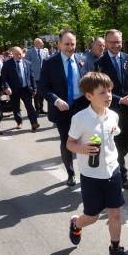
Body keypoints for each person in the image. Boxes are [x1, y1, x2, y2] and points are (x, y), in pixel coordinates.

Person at [66, 72, 128, 255]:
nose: (109, 95)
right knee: (93, 216)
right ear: (89, 96)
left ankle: (115, 249)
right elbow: (70, 144)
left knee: (115, 213)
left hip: (113, 171)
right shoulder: (80, 118)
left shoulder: (113, 115)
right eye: (102, 92)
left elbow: (113, 136)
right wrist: (82, 149)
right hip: (91, 175)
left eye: (110, 91)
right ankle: (76, 223)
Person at [40, 29, 89, 186]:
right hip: (62, 108)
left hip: (81, 105)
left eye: (73, 44)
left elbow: (89, 83)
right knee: (67, 141)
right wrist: (56, 100)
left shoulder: (83, 60)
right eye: (67, 44)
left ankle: (87, 172)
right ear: (60, 44)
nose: (70, 47)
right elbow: (43, 87)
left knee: (85, 140)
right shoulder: (49, 63)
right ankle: (70, 173)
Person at [94, 29, 128, 190]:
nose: (116, 45)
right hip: (110, 110)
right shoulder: (100, 63)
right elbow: (99, 89)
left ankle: (112, 160)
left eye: (118, 42)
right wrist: (120, 99)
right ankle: (122, 174)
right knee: (115, 141)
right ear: (106, 44)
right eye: (112, 42)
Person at [1, 46, 39, 131]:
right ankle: (19, 122)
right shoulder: (7, 64)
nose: (19, 56)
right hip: (14, 90)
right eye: (17, 54)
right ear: (13, 54)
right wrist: (6, 87)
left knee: (30, 106)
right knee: (16, 107)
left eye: (20, 54)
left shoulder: (27, 63)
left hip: (26, 89)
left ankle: (34, 123)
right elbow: (3, 77)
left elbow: (32, 77)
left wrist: (34, 88)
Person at [25, 38, 49, 114]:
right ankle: (37, 109)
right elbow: (26, 63)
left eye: (42, 43)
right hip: (34, 76)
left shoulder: (45, 51)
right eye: (41, 43)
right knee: (36, 93)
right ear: (36, 44)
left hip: (43, 76)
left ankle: (41, 108)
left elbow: (48, 61)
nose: (42, 44)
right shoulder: (30, 52)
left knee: (42, 93)